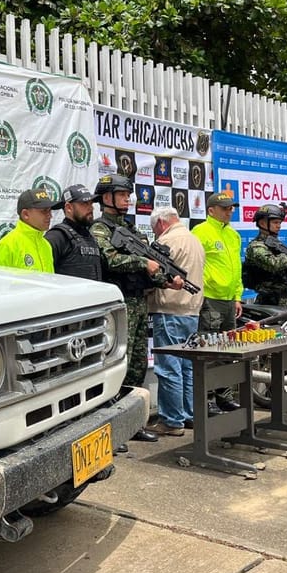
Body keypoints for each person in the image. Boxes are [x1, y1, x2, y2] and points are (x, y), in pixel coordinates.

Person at [90, 173, 183, 445]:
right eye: (122, 195)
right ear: (107, 198)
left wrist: (167, 280)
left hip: (139, 302)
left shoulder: (131, 229)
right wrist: (143, 264)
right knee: (119, 363)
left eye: (128, 194)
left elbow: (150, 262)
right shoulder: (100, 229)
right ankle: (112, 427)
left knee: (138, 365)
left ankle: (133, 423)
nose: (128, 199)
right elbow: (109, 260)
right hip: (118, 304)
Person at [147, 206, 205, 435]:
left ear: (161, 223)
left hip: (169, 308)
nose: (155, 235)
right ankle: (189, 415)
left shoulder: (168, 241)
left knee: (169, 367)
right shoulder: (194, 240)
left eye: (155, 230)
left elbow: (156, 275)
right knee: (187, 367)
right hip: (192, 310)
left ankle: (171, 421)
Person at [192, 191, 244, 414]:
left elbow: (237, 269)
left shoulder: (233, 235)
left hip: (229, 301)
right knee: (208, 351)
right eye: (225, 208)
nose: (229, 211)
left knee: (227, 351)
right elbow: (195, 266)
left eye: (231, 208)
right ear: (211, 210)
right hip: (210, 300)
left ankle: (224, 396)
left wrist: (238, 296)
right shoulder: (200, 232)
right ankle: (206, 399)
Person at [242, 203, 287, 308]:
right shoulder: (256, 246)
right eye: (275, 222)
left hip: (286, 301)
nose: (279, 226)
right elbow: (274, 264)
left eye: (280, 223)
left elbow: (284, 270)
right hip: (269, 303)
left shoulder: (276, 244)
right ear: (263, 223)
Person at [0, 188, 60, 272]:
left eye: (50, 211)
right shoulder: (7, 245)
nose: (50, 216)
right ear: (25, 214)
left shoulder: (46, 245)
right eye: (44, 211)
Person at [44, 183, 102, 280]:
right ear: (69, 208)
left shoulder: (89, 236)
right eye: (84, 203)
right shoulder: (57, 236)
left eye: (91, 203)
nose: (91, 208)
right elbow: (44, 275)